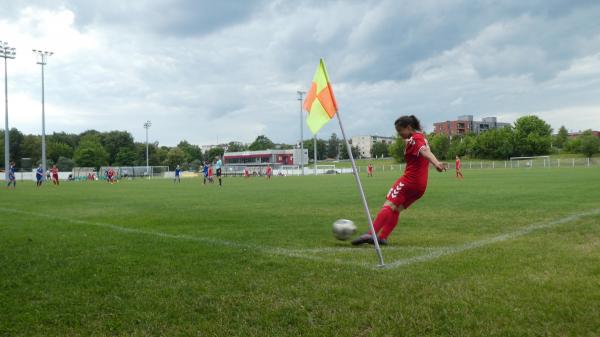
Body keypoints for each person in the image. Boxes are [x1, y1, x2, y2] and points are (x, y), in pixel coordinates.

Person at [352, 115, 445, 246]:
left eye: (400, 130)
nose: (399, 134)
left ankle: (370, 234)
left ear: (408, 127)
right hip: (420, 186)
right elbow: (426, 151)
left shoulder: (414, 139)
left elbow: (424, 152)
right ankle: (383, 237)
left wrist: (436, 163)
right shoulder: (422, 137)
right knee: (396, 210)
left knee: (389, 205)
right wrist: (436, 163)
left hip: (409, 181)